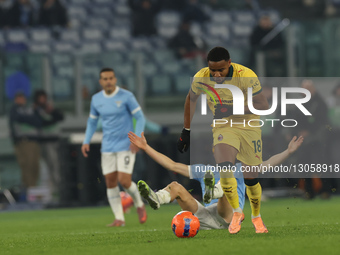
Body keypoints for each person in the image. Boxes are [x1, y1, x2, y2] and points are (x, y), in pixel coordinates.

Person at [129, 131, 303, 230]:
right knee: (175, 186)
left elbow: (267, 164)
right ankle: (158, 199)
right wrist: (146, 147)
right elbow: (173, 165)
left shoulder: (241, 169)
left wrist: (288, 152)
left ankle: (216, 191)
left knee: (229, 184)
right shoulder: (206, 170)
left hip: (227, 216)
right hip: (205, 216)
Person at [177, 46, 269, 234]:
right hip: (223, 126)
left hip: (248, 125)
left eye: (221, 69)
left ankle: (256, 216)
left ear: (229, 63)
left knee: (251, 177)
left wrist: (231, 110)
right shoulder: (201, 77)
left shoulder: (246, 75)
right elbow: (191, 99)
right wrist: (186, 130)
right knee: (225, 167)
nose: (217, 74)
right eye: (213, 70)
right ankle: (237, 212)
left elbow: (262, 105)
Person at [81, 68, 147, 227]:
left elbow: (140, 117)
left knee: (124, 181)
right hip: (108, 147)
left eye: (111, 78)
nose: (108, 81)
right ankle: (119, 219)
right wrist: (86, 140)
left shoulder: (126, 96)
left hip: (126, 145)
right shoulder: (96, 99)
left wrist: (136, 139)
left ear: (115, 79)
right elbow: (91, 122)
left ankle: (139, 204)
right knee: (110, 182)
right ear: (100, 81)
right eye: (105, 79)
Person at [9, 92, 58, 195]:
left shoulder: (30, 109)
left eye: (22, 98)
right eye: (19, 98)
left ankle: (33, 188)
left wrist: (29, 119)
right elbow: (18, 118)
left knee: (35, 166)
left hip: (35, 141)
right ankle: (29, 189)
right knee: (27, 165)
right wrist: (30, 120)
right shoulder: (15, 109)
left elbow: (38, 121)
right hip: (24, 141)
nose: (21, 100)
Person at [33, 89, 64, 201]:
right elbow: (42, 123)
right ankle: (53, 190)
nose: (43, 100)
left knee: (57, 165)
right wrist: (52, 117)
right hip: (46, 142)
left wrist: (52, 112)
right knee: (50, 166)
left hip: (56, 140)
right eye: (41, 98)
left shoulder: (50, 108)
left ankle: (58, 189)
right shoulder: (37, 110)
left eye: (44, 97)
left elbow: (61, 116)